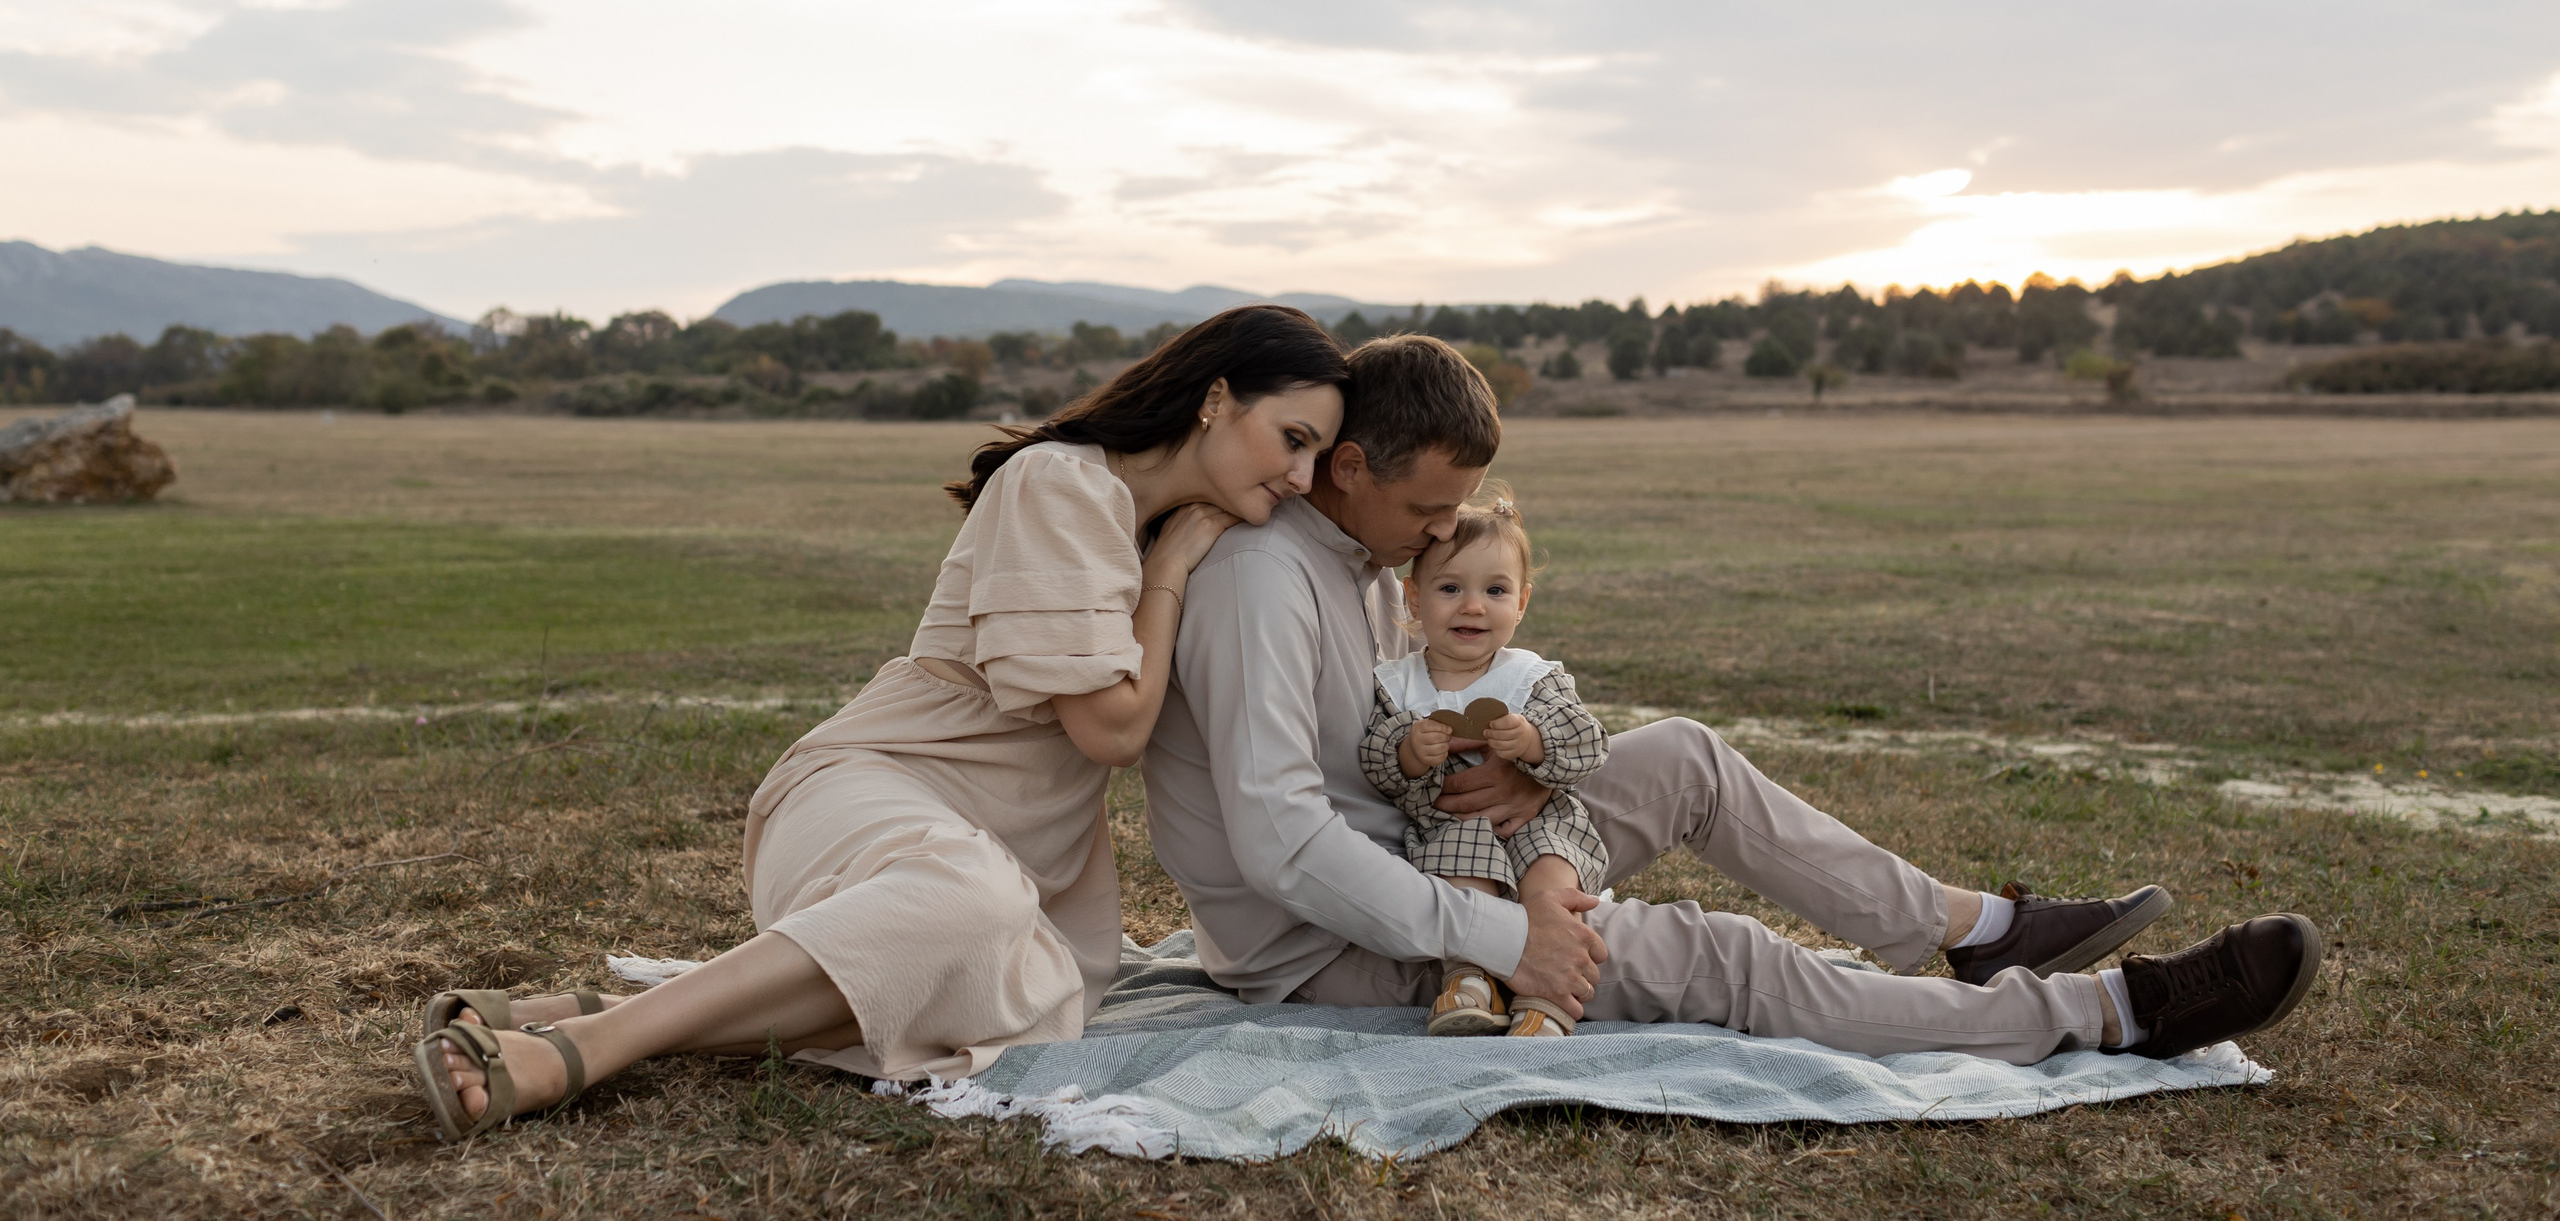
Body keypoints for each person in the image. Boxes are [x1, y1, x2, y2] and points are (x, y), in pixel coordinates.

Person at [1144, 333, 2325, 1064]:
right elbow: (1282, 840)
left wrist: (1495, 762)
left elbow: (1371, 748)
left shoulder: (1350, 559)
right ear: (1352, 468)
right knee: (1724, 960)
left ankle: (1977, 932)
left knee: (1687, 759)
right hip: (1329, 945)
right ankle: (2111, 1015)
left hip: (1433, 843)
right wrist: (1514, 936)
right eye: (1430, 516)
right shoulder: (1261, 585)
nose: (1448, 537)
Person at [408, 305, 1348, 1141]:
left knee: (1038, 987)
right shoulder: (1063, 483)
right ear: (1217, 396)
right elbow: (1112, 732)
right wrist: (1174, 564)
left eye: (1318, 454)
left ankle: (611, 1005)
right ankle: (581, 1044)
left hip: (1034, 861)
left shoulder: (1166, 520)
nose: (1303, 475)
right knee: (971, 903)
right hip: (881, 791)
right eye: (1291, 437)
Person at [1358, 490, 1609, 1037]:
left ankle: (1550, 997)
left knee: (1549, 879)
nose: (1473, 606)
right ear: (1415, 599)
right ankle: (1472, 979)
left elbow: (1588, 743)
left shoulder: (1529, 677)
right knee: (1457, 872)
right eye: (1451, 589)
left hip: (1539, 823)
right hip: (1453, 824)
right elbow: (1374, 760)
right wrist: (1408, 753)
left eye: (1495, 590)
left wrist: (1534, 740)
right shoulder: (1399, 686)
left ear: (1520, 603)